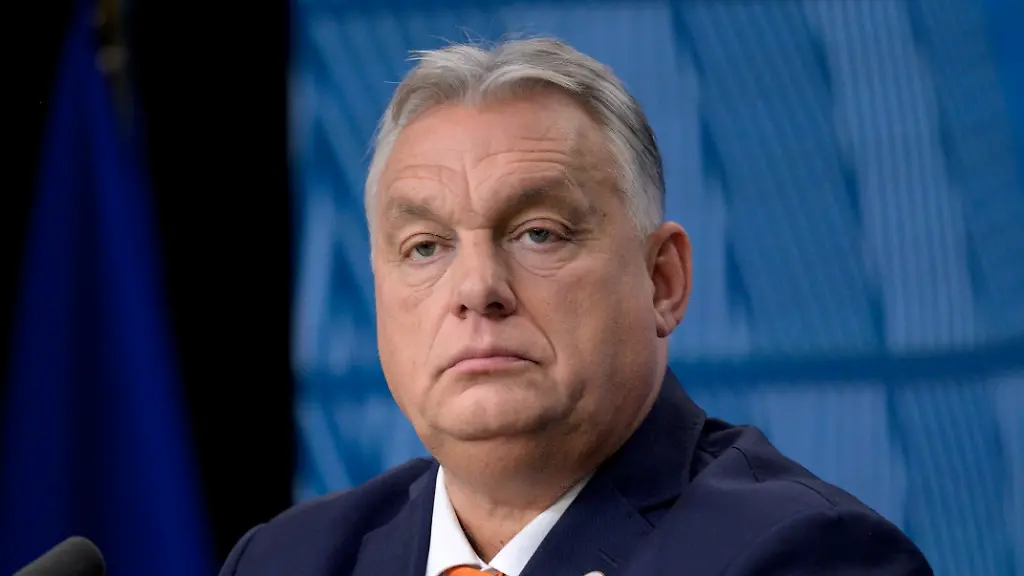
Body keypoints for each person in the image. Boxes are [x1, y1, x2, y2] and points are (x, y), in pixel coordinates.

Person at [219, 38, 933, 576]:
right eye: (425, 247)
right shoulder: (284, 559)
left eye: (539, 233)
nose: (476, 289)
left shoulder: (801, 554)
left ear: (662, 281)